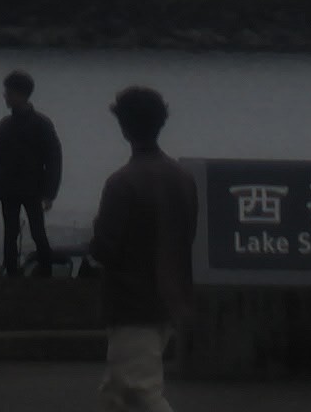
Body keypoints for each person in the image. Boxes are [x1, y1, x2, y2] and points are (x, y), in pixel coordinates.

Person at [88, 84, 198, 412]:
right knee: (117, 392)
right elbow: (188, 234)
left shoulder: (123, 182)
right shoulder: (181, 177)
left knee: (138, 390)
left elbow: (105, 247)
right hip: (170, 296)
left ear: (123, 126)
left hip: (131, 301)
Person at [0, 69, 64, 278]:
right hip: (9, 190)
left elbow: (54, 160)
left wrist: (49, 194)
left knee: (38, 232)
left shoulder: (41, 124)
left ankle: (46, 271)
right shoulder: (5, 126)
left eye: (8, 92)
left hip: (34, 189)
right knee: (10, 233)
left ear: (20, 94)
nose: (5, 96)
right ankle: (11, 272)